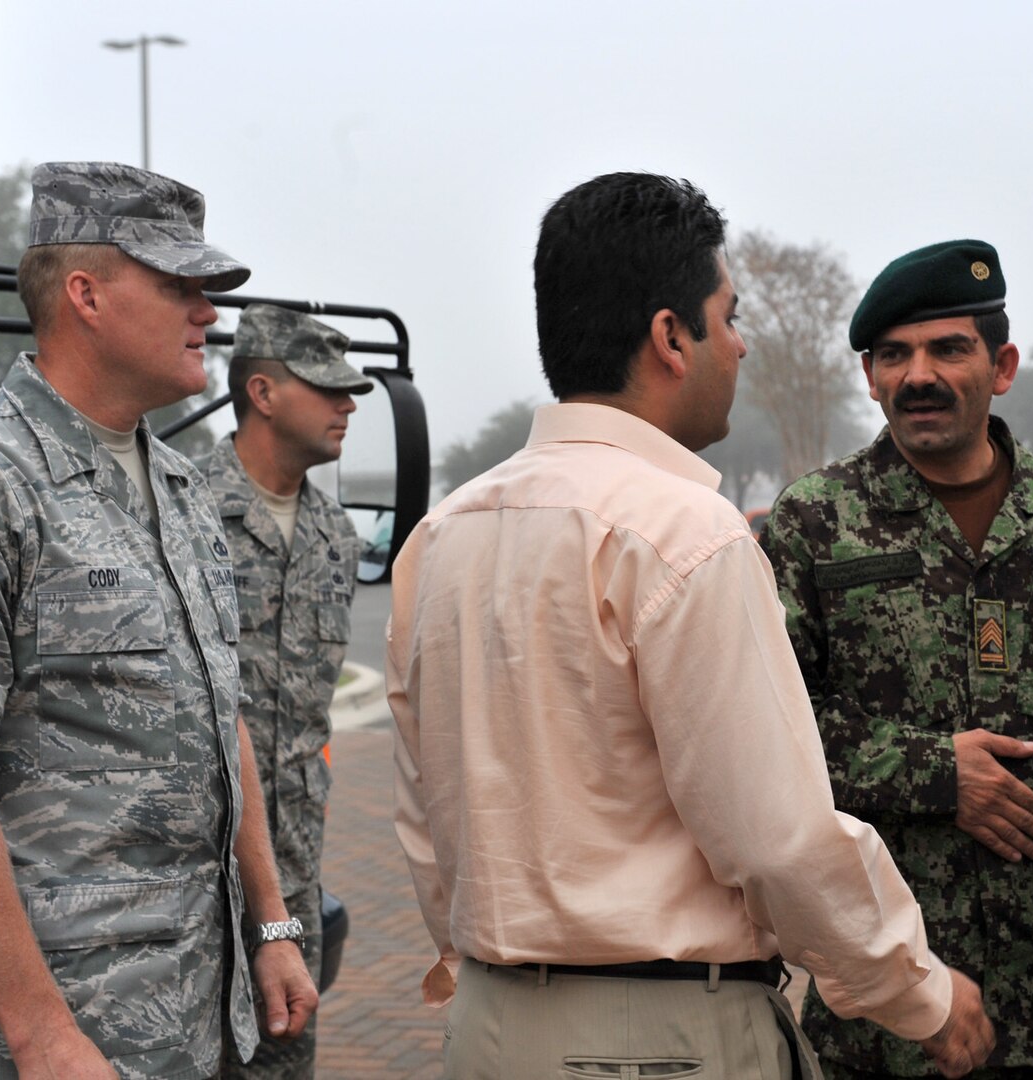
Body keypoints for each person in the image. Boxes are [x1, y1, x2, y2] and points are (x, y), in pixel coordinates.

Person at [388, 172, 994, 1080]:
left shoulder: (443, 534)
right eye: (730, 314)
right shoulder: (682, 531)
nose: (742, 346)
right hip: (658, 1035)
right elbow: (774, 835)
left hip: (489, 1026)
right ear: (672, 336)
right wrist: (920, 993)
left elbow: (424, 813)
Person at [0, 162, 315, 1078]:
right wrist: (42, 1034)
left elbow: (220, 713)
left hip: (196, 1023)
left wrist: (271, 922)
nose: (207, 311)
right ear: (84, 294)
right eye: (177, 286)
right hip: (49, 1043)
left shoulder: (181, 489)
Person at [759, 240, 1033, 1079]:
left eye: (947, 349)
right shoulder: (814, 525)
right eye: (893, 355)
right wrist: (931, 772)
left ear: (1000, 366)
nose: (917, 375)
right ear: (869, 376)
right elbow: (765, 729)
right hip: (895, 990)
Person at [200, 303, 372, 1078]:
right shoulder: (177, 509)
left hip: (292, 876)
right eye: (326, 387)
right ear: (262, 393)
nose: (348, 403)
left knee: (279, 1061)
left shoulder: (338, 536)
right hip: (186, 878)